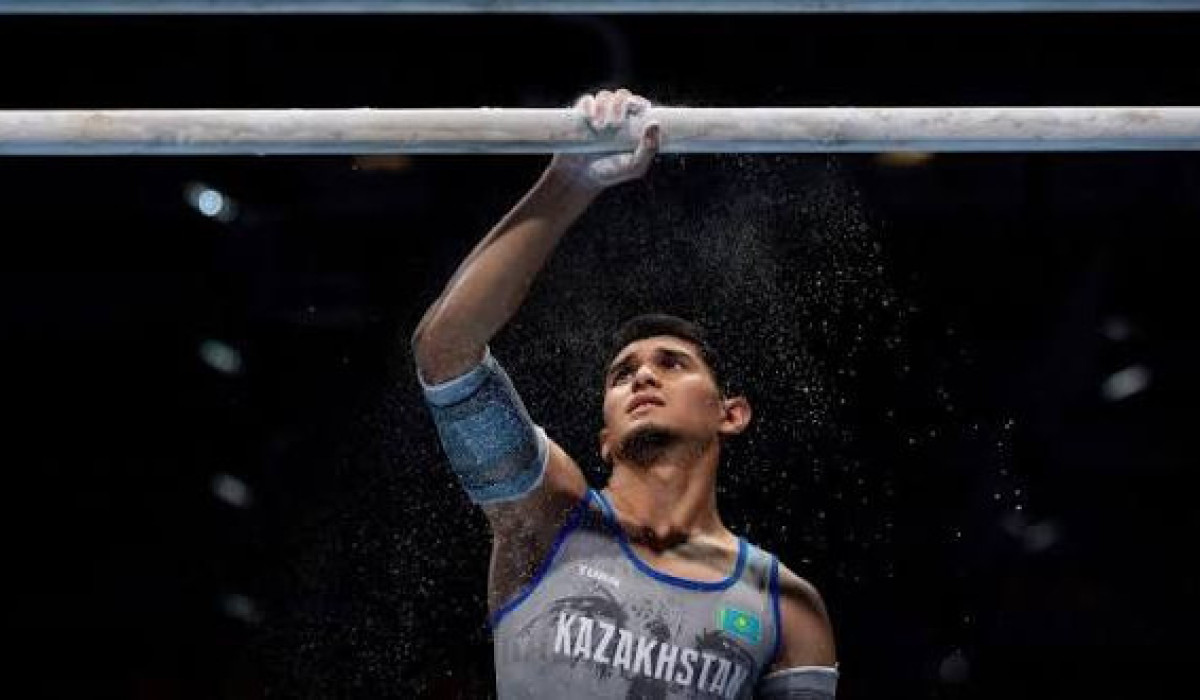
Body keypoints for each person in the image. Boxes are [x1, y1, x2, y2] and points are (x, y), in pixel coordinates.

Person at [411, 88, 837, 699]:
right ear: (605, 438)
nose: (642, 377)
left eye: (672, 364)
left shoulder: (786, 607)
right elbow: (445, 352)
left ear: (731, 413)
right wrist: (568, 181)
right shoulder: (549, 521)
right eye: (621, 375)